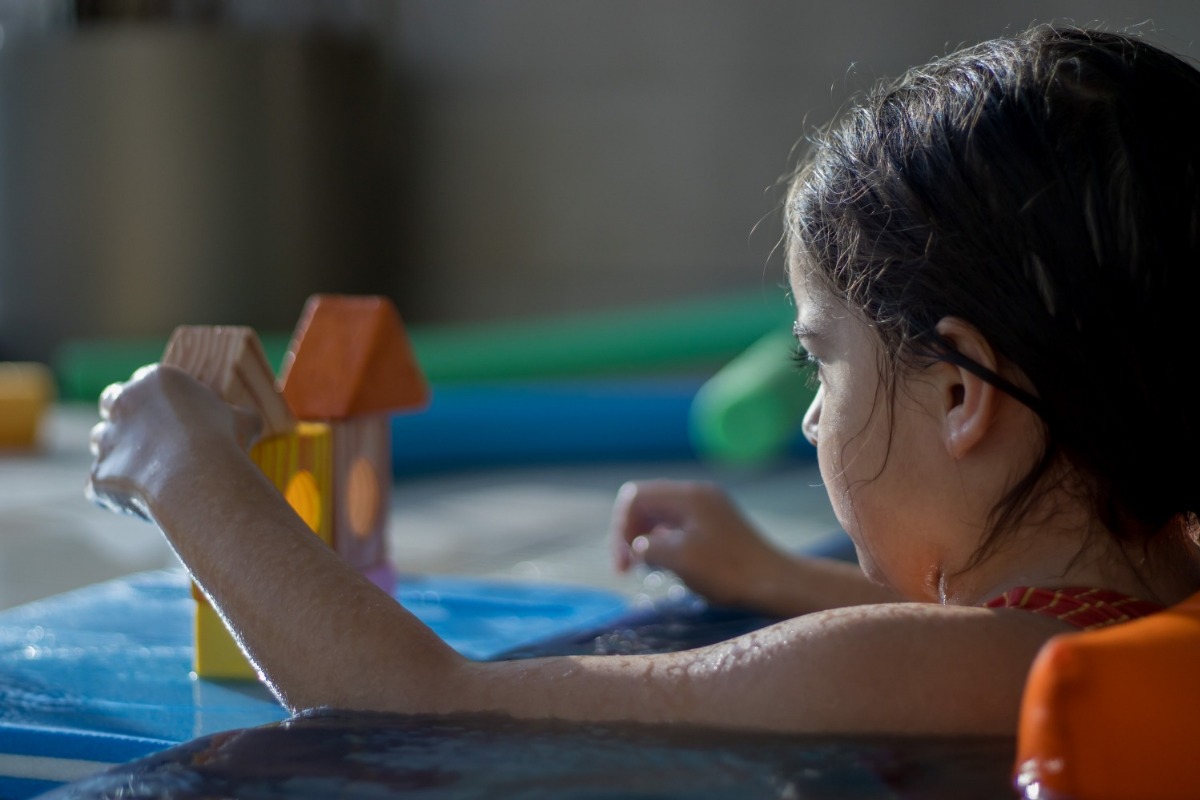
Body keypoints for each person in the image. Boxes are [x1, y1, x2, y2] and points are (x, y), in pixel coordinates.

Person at [88, 24, 1200, 736]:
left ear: (964, 397)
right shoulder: (1162, 597)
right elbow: (966, 635)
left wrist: (186, 470)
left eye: (822, 356)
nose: (812, 412)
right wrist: (768, 570)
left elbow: (416, 697)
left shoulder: (935, 670)